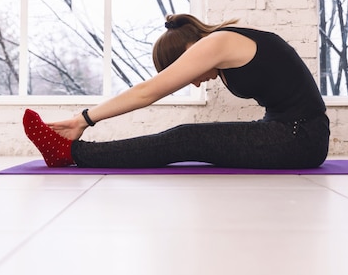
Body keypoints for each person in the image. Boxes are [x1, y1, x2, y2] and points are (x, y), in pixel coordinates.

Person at [23, 13, 329, 169]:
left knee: (184, 138)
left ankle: (71, 152)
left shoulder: (218, 43)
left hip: (299, 138)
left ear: (189, 50)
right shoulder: (226, 42)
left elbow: (147, 92)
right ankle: (71, 152)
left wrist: (83, 119)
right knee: (185, 136)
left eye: (187, 71)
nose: (194, 81)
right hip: (288, 131)